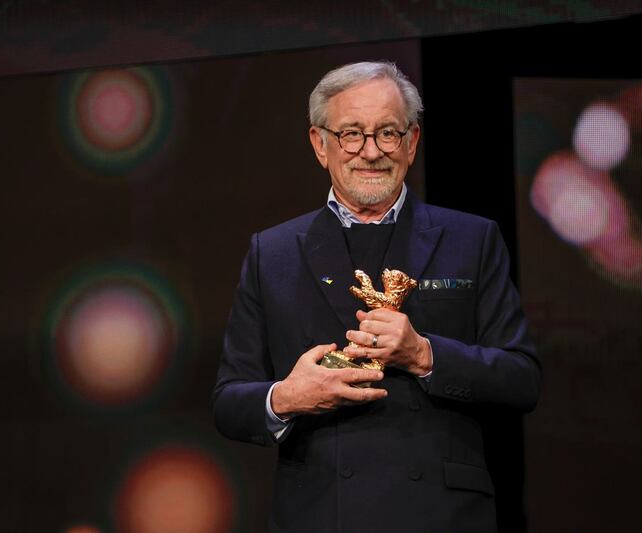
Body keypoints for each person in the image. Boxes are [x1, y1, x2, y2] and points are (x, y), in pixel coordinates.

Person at [213, 61, 540, 532]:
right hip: (323, 514)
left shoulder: (472, 239)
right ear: (319, 145)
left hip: (442, 516)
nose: (370, 152)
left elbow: (522, 379)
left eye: (387, 132)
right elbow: (228, 402)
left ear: (411, 144)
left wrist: (424, 355)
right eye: (351, 133)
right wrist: (286, 396)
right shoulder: (274, 252)